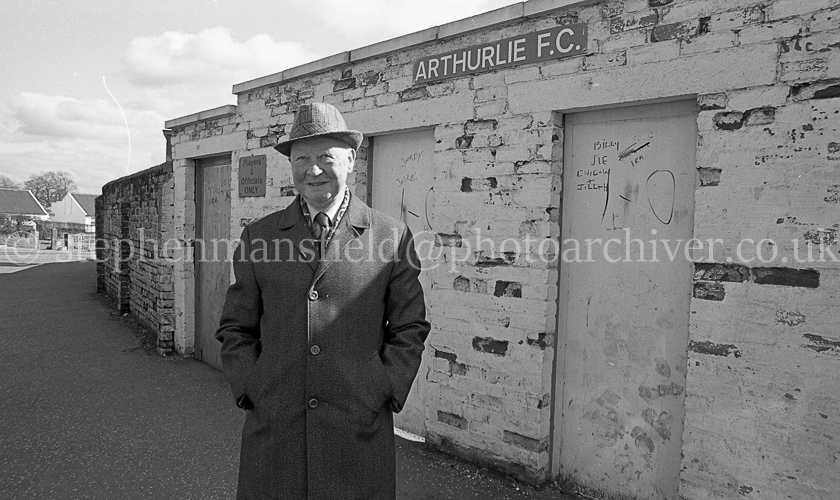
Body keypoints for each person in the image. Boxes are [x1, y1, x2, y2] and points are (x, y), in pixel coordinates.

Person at [216, 102, 430, 500]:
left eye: (325, 157)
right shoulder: (260, 236)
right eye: (302, 159)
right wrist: (253, 386)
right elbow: (236, 327)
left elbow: (409, 327)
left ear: (351, 160)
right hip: (277, 427)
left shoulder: (391, 236)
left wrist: (381, 387)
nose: (312, 170)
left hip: (357, 428)